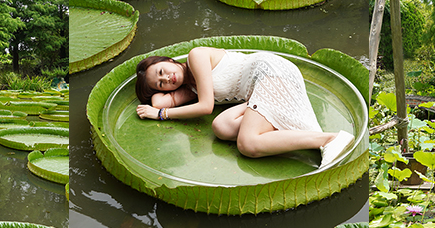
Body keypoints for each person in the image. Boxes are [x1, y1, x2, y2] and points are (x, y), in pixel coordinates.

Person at [135, 47, 354, 169]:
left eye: (162, 70)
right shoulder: (191, 88)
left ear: (171, 60)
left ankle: (330, 139)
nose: (167, 78)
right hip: (258, 92)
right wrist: (158, 97)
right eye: (160, 83)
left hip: (269, 72)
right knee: (222, 127)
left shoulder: (196, 56)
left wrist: (162, 115)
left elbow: (205, 106)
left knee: (248, 144)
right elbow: (158, 102)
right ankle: (268, 118)